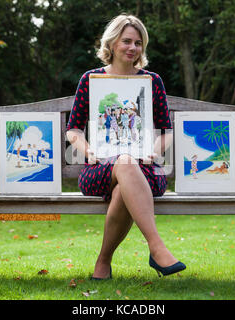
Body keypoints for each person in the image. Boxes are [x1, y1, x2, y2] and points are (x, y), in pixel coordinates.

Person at [66, 14, 185, 279]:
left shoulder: (152, 81)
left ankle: (103, 262)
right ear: (112, 43)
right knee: (124, 163)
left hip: (144, 169)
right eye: (127, 41)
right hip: (99, 168)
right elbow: (73, 130)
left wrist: (155, 150)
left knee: (126, 177)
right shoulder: (91, 80)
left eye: (138, 43)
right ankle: (156, 247)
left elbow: (167, 131)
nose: (133, 48)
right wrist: (89, 151)